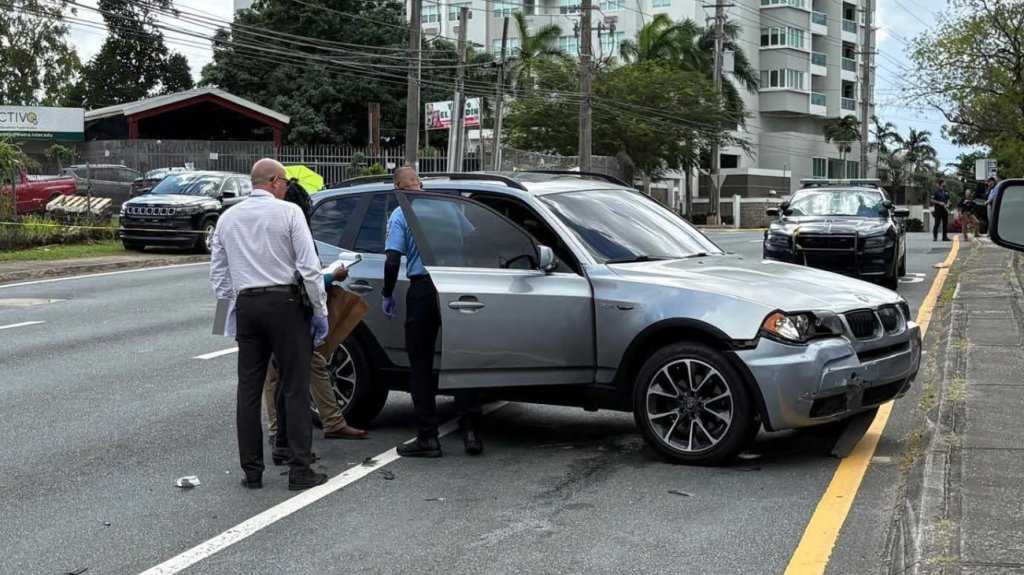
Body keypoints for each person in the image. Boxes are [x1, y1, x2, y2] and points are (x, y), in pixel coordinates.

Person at [209, 158, 329, 491]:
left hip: (247, 304)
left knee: (248, 389)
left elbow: (219, 275)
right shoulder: (289, 213)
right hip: (285, 304)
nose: (287, 188)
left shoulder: (227, 218)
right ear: (276, 182)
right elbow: (309, 266)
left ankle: (252, 470)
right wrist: (320, 312)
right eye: (286, 182)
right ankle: (300, 468)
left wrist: (229, 315)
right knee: (293, 384)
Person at [381, 167, 483, 458]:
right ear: (419, 183)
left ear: (398, 189)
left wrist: (387, 294)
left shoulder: (401, 214)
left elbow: (391, 260)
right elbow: (474, 239)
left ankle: (428, 437)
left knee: (421, 365)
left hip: (423, 288)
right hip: (456, 285)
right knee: (462, 359)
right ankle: (471, 432)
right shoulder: (447, 208)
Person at [262, 178, 368, 449]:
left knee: (279, 371)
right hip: (291, 309)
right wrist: (332, 276)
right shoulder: (293, 228)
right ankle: (288, 431)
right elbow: (304, 277)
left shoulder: (262, 226)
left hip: (262, 308)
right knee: (288, 370)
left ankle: (319, 423)